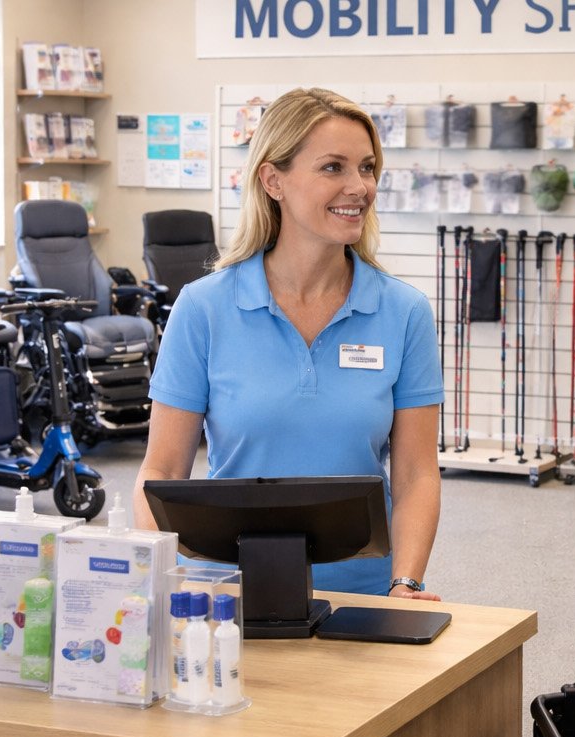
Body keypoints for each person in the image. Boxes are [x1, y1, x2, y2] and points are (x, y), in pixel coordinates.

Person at [134, 88, 443, 601]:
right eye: (333, 168)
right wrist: (162, 578)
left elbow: (415, 474)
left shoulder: (403, 311)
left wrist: (405, 583)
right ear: (273, 180)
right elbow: (162, 470)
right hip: (227, 592)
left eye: (367, 168)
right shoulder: (203, 307)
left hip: (365, 594)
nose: (359, 187)